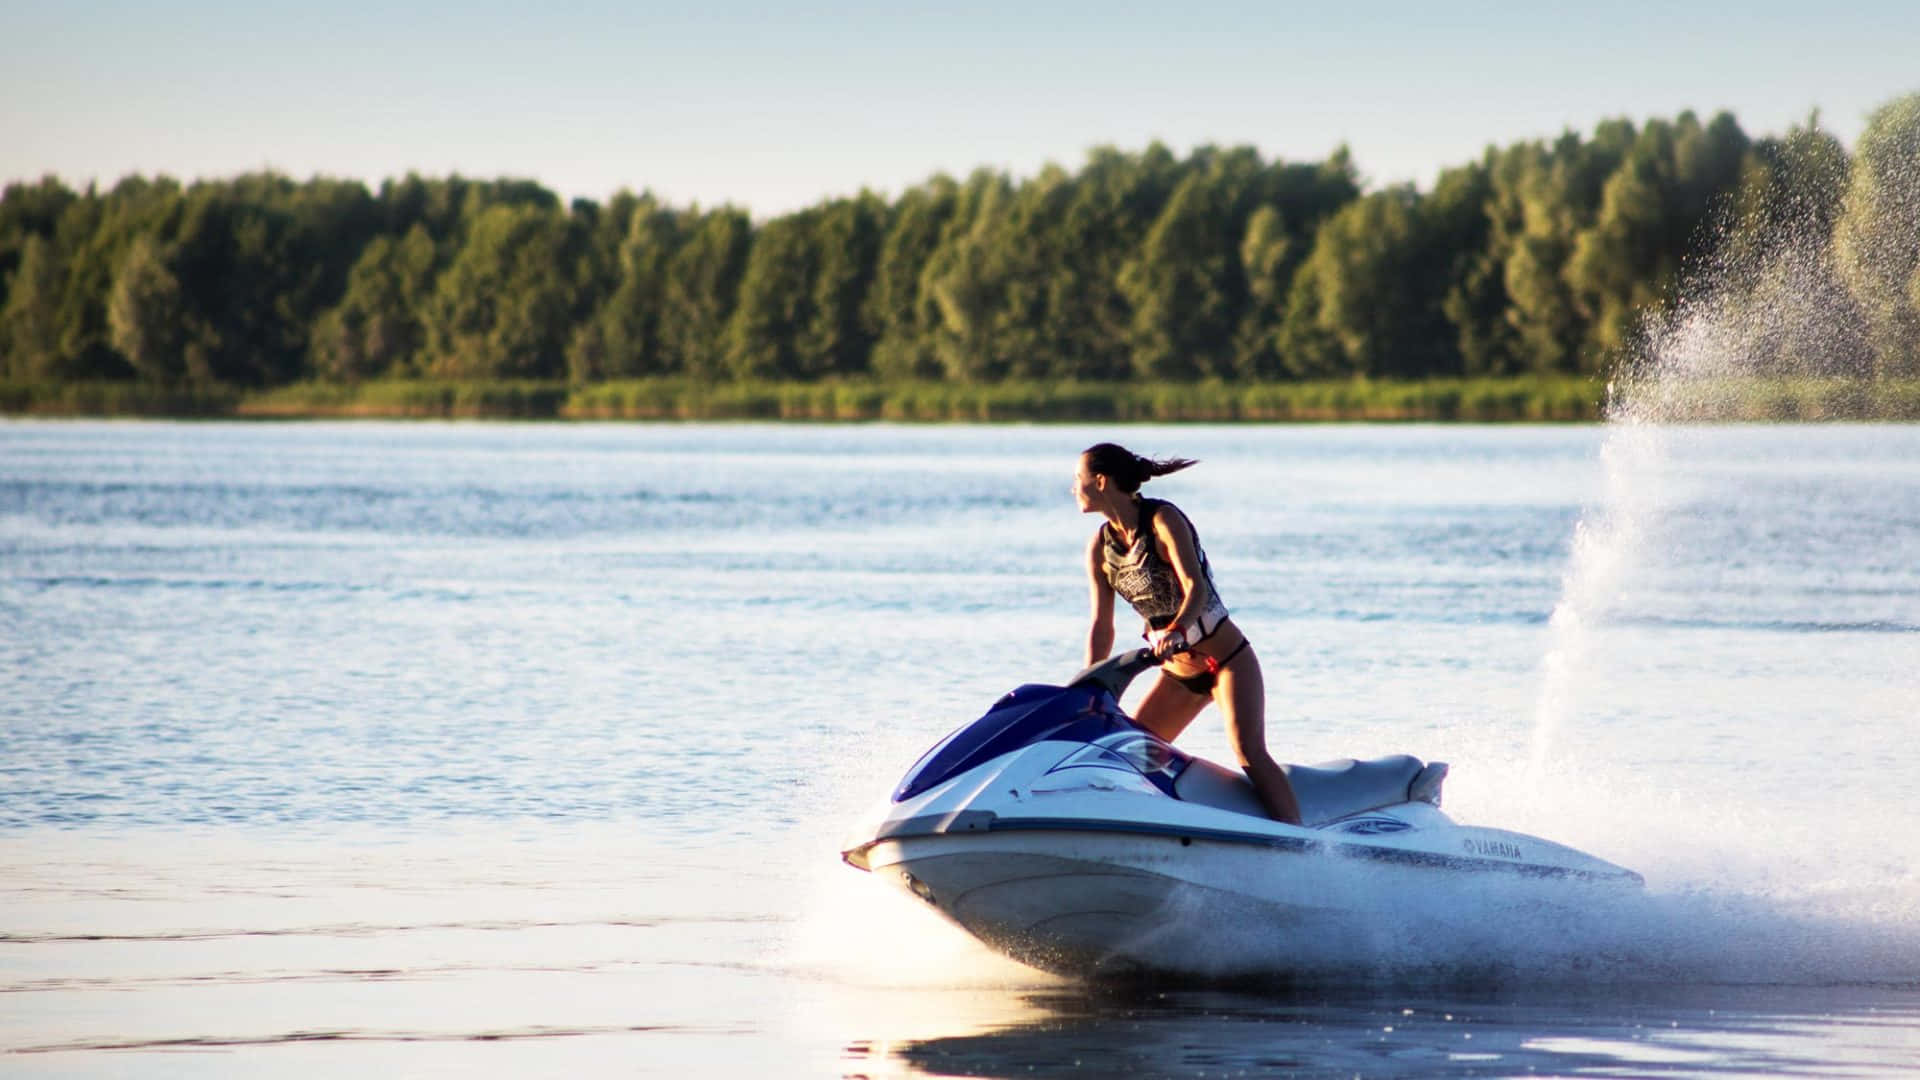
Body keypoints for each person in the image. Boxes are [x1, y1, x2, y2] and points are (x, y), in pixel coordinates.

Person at [1073, 442, 1303, 825]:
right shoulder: (1100, 547)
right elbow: (1102, 624)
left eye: (1077, 480)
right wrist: (1088, 683)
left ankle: (1302, 842)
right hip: (1181, 676)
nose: (1073, 488)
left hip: (1227, 662)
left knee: (1248, 751)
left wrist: (1177, 630)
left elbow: (1194, 587)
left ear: (1100, 481)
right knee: (1133, 759)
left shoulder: (1163, 520)